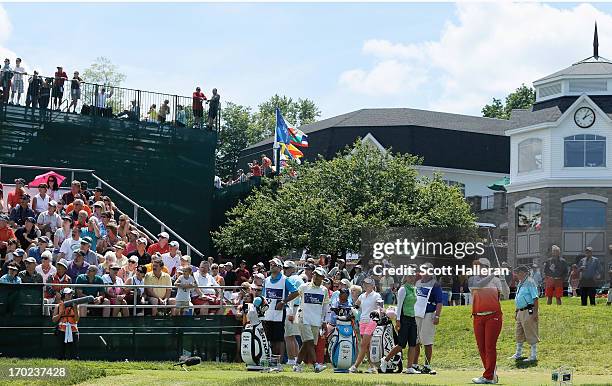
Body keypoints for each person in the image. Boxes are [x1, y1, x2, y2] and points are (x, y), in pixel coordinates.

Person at [283, 266, 329, 373]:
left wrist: (323, 321)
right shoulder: (304, 287)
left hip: (316, 320)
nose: (316, 277)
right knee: (309, 341)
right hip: (303, 318)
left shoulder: (324, 290)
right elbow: (293, 297)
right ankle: (316, 365)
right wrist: (289, 310)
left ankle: (297, 365)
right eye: (315, 275)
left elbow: (325, 307)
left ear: (322, 278)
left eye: (319, 276)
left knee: (308, 343)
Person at [468, 258, 503, 384]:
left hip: (493, 316)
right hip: (478, 316)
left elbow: (506, 293)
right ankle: (491, 374)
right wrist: (494, 274)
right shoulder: (472, 279)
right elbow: (478, 286)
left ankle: (488, 376)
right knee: (481, 347)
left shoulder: (496, 280)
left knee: (489, 346)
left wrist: (503, 279)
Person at [381, 270, 420, 373]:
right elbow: (399, 306)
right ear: (406, 277)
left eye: (413, 276)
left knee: (413, 343)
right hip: (403, 318)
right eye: (410, 276)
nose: (412, 278)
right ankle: (385, 360)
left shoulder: (414, 289)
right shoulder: (403, 289)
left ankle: (409, 367)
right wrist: (398, 320)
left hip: (412, 318)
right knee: (401, 344)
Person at [261, 257, 298, 357]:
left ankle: (278, 361)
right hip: (268, 312)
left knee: (279, 338)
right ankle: (270, 359)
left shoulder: (285, 280)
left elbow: (295, 292)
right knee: (269, 338)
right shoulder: (267, 280)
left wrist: (283, 302)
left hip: (279, 312)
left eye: (274, 265)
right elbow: (263, 295)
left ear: (280, 267)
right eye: (271, 265)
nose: (271, 266)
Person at [350, 277, 382, 373]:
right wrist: (352, 310)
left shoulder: (376, 295)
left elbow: (381, 308)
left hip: (372, 321)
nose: (365, 286)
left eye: (368, 284)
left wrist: (377, 312)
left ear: (372, 285)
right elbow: (356, 306)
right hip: (362, 321)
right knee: (366, 346)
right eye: (364, 284)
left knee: (363, 344)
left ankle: (355, 366)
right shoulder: (362, 296)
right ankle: (372, 367)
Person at [509, 265, 539, 362]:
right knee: (519, 333)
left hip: (528, 310)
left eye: (518, 272)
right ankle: (518, 353)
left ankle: (533, 355)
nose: (516, 275)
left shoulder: (530, 282)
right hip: (520, 311)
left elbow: (535, 298)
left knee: (531, 332)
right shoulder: (521, 283)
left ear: (524, 272)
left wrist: (535, 313)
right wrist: (516, 311)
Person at [283, 260, 304, 366]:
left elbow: (293, 296)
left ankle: (291, 360)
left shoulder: (290, 279)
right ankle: (296, 360)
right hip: (299, 309)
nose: (284, 270)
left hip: (293, 308)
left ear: (292, 269)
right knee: (293, 336)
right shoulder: (299, 279)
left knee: (288, 336)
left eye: (286, 268)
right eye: (284, 268)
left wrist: (290, 312)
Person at [52, 287, 80, 359]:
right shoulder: (58, 306)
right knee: (61, 353)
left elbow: (77, 319)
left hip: (73, 330)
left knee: (74, 353)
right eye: (68, 294)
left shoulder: (76, 305)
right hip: (62, 330)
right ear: (64, 295)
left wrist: (75, 309)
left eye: (71, 294)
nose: (70, 295)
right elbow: (54, 320)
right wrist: (60, 314)